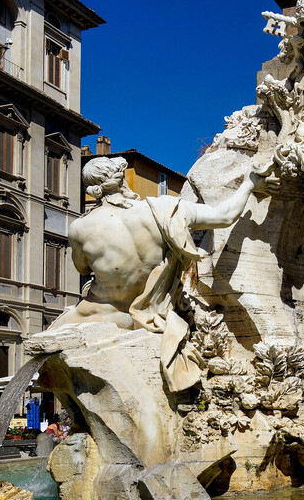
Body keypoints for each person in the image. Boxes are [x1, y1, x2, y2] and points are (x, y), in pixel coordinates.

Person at [52, 156, 264, 392]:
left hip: (98, 317)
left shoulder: (80, 228)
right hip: (149, 318)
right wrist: (249, 183)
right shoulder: (163, 210)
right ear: (122, 177)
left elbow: (82, 269)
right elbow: (224, 216)